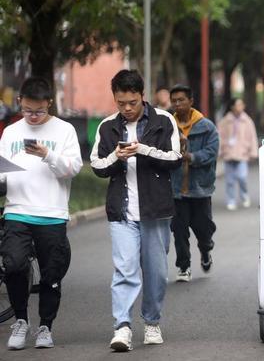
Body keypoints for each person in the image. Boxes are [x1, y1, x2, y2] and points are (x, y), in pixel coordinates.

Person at [90, 69, 181, 351]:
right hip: (122, 212)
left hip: (155, 211)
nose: (126, 108)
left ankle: (152, 322)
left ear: (142, 96)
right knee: (125, 270)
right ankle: (123, 328)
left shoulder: (164, 120)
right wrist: (116, 157)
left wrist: (143, 149)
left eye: (132, 102)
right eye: (120, 103)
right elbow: (96, 165)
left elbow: (175, 158)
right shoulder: (106, 126)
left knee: (155, 272)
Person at [0, 77, 82, 350]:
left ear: (49, 103)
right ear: (20, 102)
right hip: (17, 211)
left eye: (38, 111)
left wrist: (47, 154)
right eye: (27, 110)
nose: (32, 116)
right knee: (12, 265)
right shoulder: (11, 132)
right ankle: (21, 321)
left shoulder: (65, 130)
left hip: (52, 213)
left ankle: (46, 325)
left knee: (51, 273)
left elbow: (73, 169)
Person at [169, 84, 219, 282]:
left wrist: (191, 157)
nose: (177, 104)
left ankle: (206, 250)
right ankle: (184, 266)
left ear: (191, 101)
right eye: (174, 101)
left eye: (181, 100)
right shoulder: (168, 126)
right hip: (176, 191)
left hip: (200, 189)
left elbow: (211, 152)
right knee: (179, 231)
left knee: (203, 229)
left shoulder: (207, 127)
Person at [218, 98, 258, 211]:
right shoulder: (225, 121)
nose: (240, 106)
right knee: (229, 180)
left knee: (242, 177)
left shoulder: (247, 121)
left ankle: (244, 196)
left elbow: (252, 137)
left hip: (242, 153)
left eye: (241, 104)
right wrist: (220, 151)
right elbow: (219, 136)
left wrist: (253, 152)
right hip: (228, 153)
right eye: (238, 104)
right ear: (232, 107)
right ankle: (231, 200)